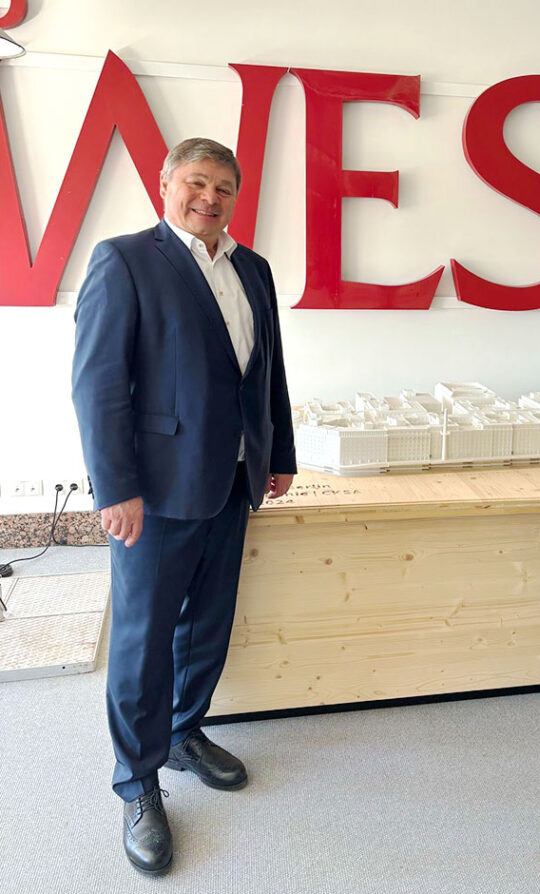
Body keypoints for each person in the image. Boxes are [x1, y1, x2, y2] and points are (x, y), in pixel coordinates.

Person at [72, 137, 296, 874]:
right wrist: (116, 488)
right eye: (197, 182)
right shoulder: (125, 260)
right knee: (142, 640)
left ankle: (182, 731)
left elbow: (267, 373)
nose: (210, 197)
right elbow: (99, 385)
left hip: (233, 479)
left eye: (224, 187)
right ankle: (137, 782)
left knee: (207, 622)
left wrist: (279, 455)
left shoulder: (252, 268)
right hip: (156, 490)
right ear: (165, 183)